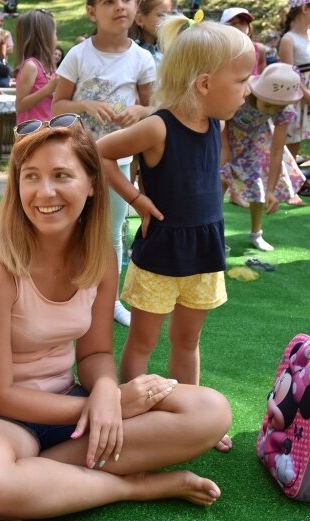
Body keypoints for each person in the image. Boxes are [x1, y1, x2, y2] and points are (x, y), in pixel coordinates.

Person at [0, 120, 232, 520]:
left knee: (210, 410)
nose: (45, 192)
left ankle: (45, 475)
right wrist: (105, 406)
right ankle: (133, 486)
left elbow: (94, 352)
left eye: (62, 175)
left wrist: (108, 392)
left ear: (93, 183)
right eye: (31, 177)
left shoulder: (101, 258)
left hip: (66, 402)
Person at [97, 16, 255, 452]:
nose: (247, 90)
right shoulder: (157, 126)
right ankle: (132, 410)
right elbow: (101, 152)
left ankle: (197, 417)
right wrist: (136, 199)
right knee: (143, 341)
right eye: (241, 80)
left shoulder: (215, 123)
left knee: (188, 340)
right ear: (204, 83)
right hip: (162, 255)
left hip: (203, 254)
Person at [53, 0, 156, 328]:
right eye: (108, 2)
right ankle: (65, 294)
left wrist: (139, 112)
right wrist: (82, 103)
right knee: (71, 227)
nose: (119, 7)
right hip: (76, 161)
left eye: (126, 0)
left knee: (112, 232)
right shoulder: (79, 55)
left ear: (136, 7)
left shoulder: (142, 58)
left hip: (117, 162)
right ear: (92, 11)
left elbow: (155, 110)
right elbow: (57, 106)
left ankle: (109, 300)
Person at [220, 63, 307, 252]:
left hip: (255, 145)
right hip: (227, 138)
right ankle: (213, 232)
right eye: (267, 105)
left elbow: (276, 151)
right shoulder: (240, 94)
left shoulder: (284, 111)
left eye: (278, 108)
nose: (271, 111)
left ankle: (256, 233)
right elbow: (222, 120)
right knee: (218, 184)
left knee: (257, 189)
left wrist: (271, 190)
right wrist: (224, 148)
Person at [279, 0, 310, 159]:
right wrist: (306, 94)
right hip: (297, 98)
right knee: (292, 144)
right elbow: (288, 73)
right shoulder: (289, 39)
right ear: (305, 8)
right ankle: (290, 181)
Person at [14, 10, 57, 125]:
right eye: (54, 33)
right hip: (32, 134)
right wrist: (48, 89)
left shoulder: (49, 67)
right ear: (44, 37)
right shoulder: (31, 66)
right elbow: (20, 105)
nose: (56, 38)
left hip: (48, 130)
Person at [221, 7, 266, 75]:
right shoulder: (218, 51)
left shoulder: (259, 49)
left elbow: (261, 69)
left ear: (249, 27)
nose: (238, 26)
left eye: (242, 22)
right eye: (232, 23)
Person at [131, 0, 174, 67]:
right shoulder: (133, 53)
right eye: (161, 15)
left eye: (170, 14)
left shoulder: (172, 49)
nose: (168, 19)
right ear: (139, 20)